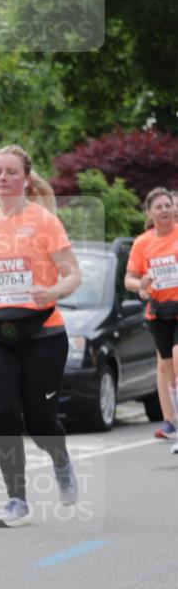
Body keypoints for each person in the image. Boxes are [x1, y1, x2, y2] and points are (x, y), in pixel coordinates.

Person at [0, 144, 82, 527]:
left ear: (25, 178)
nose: (2, 178)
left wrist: (55, 291)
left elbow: (73, 273)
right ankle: (16, 500)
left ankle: (60, 462)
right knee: (4, 414)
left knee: (41, 422)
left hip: (44, 334)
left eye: (10, 172)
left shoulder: (44, 221)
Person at [125, 187, 178, 447]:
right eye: (159, 207)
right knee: (167, 369)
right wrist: (141, 284)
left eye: (168, 205)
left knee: (177, 360)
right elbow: (129, 280)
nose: (165, 210)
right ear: (150, 212)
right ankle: (171, 420)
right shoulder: (142, 243)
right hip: (158, 311)